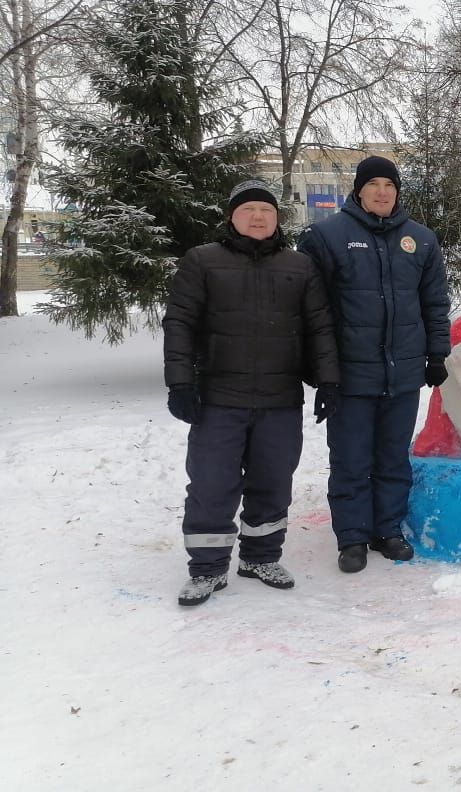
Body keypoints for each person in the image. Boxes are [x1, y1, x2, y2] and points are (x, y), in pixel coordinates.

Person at [163, 180, 340, 606]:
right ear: (232, 217)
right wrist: (180, 382)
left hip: (280, 398)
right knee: (212, 482)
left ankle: (260, 556)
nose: (258, 217)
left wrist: (328, 380)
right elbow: (180, 324)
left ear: (277, 218)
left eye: (266, 210)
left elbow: (319, 327)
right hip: (219, 397)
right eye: (248, 210)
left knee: (273, 480)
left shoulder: (299, 267)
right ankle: (207, 568)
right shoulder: (202, 261)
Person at [297, 155, 450, 573]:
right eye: (374, 184)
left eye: (390, 184)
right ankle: (352, 537)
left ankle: (387, 530)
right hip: (350, 374)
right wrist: (321, 371)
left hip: (402, 373)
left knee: (392, 457)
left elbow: (435, 303)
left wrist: (436, 354)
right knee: (351, 458)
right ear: (358, 189)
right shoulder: (327, 236)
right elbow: (312, 311)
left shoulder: (420, 240)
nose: (383, 192)